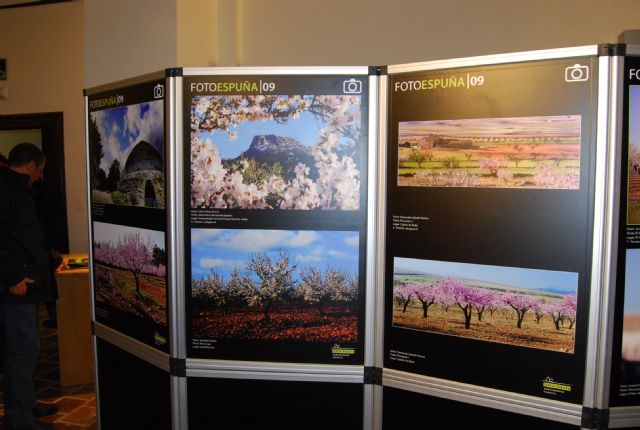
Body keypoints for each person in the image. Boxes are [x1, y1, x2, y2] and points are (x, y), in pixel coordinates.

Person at [0, 143, 59, 430]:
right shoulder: (7, 189)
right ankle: (18, 418)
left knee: (28, 349)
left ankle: (26, 403)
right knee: (22, 351)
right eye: (41, 169)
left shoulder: (19, 188)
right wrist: (12, 278)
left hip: (28, 285)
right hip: (16, 289)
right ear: (32, 165)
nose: (39, 175)